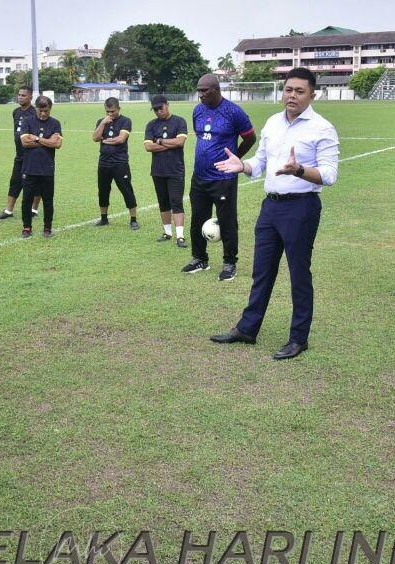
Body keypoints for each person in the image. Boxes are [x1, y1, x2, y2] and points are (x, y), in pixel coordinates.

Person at [210, 67, 339, 360]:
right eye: (289, 90)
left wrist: (301, 170)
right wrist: (243, 166)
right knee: (262, 271)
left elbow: (330, 174)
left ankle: (298, 338)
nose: (292, 96)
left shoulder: (322, 128)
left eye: (300, 91)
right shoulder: (273, 122)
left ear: (312, 94)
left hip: (301, 207)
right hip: (271, 207)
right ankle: (247, 329)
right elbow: (262, 161)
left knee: (298, 274)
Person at [182, 73, 257, 281]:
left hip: (223, 178)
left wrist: (236, 160)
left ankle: (229, 262)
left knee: (227, 221)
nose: (201, 94)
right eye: (199, 90)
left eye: (204, 90)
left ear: (216, 89)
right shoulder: (198, 110)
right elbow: (201, 137)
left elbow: (250, 137)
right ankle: (199, 258)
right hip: (199, 177)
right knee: (197, 218)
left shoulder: (233, 112)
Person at [143, 95, 189, 248]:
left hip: (175, 170)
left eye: (160, 108)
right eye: (155, 109)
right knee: (163, 202)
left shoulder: (179, 121)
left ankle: (180, 236)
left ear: (167, 105)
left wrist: (161, 141)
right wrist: (171, 144)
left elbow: (180, 142)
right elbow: (148, 147)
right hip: (158, 171)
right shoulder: (151, 125)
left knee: (176, 202)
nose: (158, 112)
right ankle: (167, 233)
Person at [0, 86, 41, 220]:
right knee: (15, 181)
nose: (20, 97)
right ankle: (8, 211)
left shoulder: (35, 113)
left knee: (35, 184)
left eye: (24, 95)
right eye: (19, 95)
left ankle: (34, 210)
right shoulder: (15, 112)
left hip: (33, 156)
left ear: (31, 97)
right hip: (19, 155)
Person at [18, 95, 62, 238]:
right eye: (40, 110)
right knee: (27, 200)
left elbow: (57, 144)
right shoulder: (27, 121)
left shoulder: (55, 123)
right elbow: (25, 143)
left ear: (50, 109)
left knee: (48, 200)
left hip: (47, 169)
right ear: (36, 108)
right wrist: (47, 141)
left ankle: (47, 228)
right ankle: (27, 227)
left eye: (46, 111)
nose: (43, 114)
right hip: (29, 168)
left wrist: (36, 138)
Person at [91, 97, 139, 229]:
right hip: (104, 163)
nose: (110, 114)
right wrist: (103, 124)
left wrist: (106, 140)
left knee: (126, 189)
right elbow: (95, 138)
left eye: (112, 111)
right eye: (107, 111)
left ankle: (133, 219)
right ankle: (104, 218)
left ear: (119, 109)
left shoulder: (125, 121)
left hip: (120, 163)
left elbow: (120, 139)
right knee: (103, 190)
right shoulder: (102, 121)